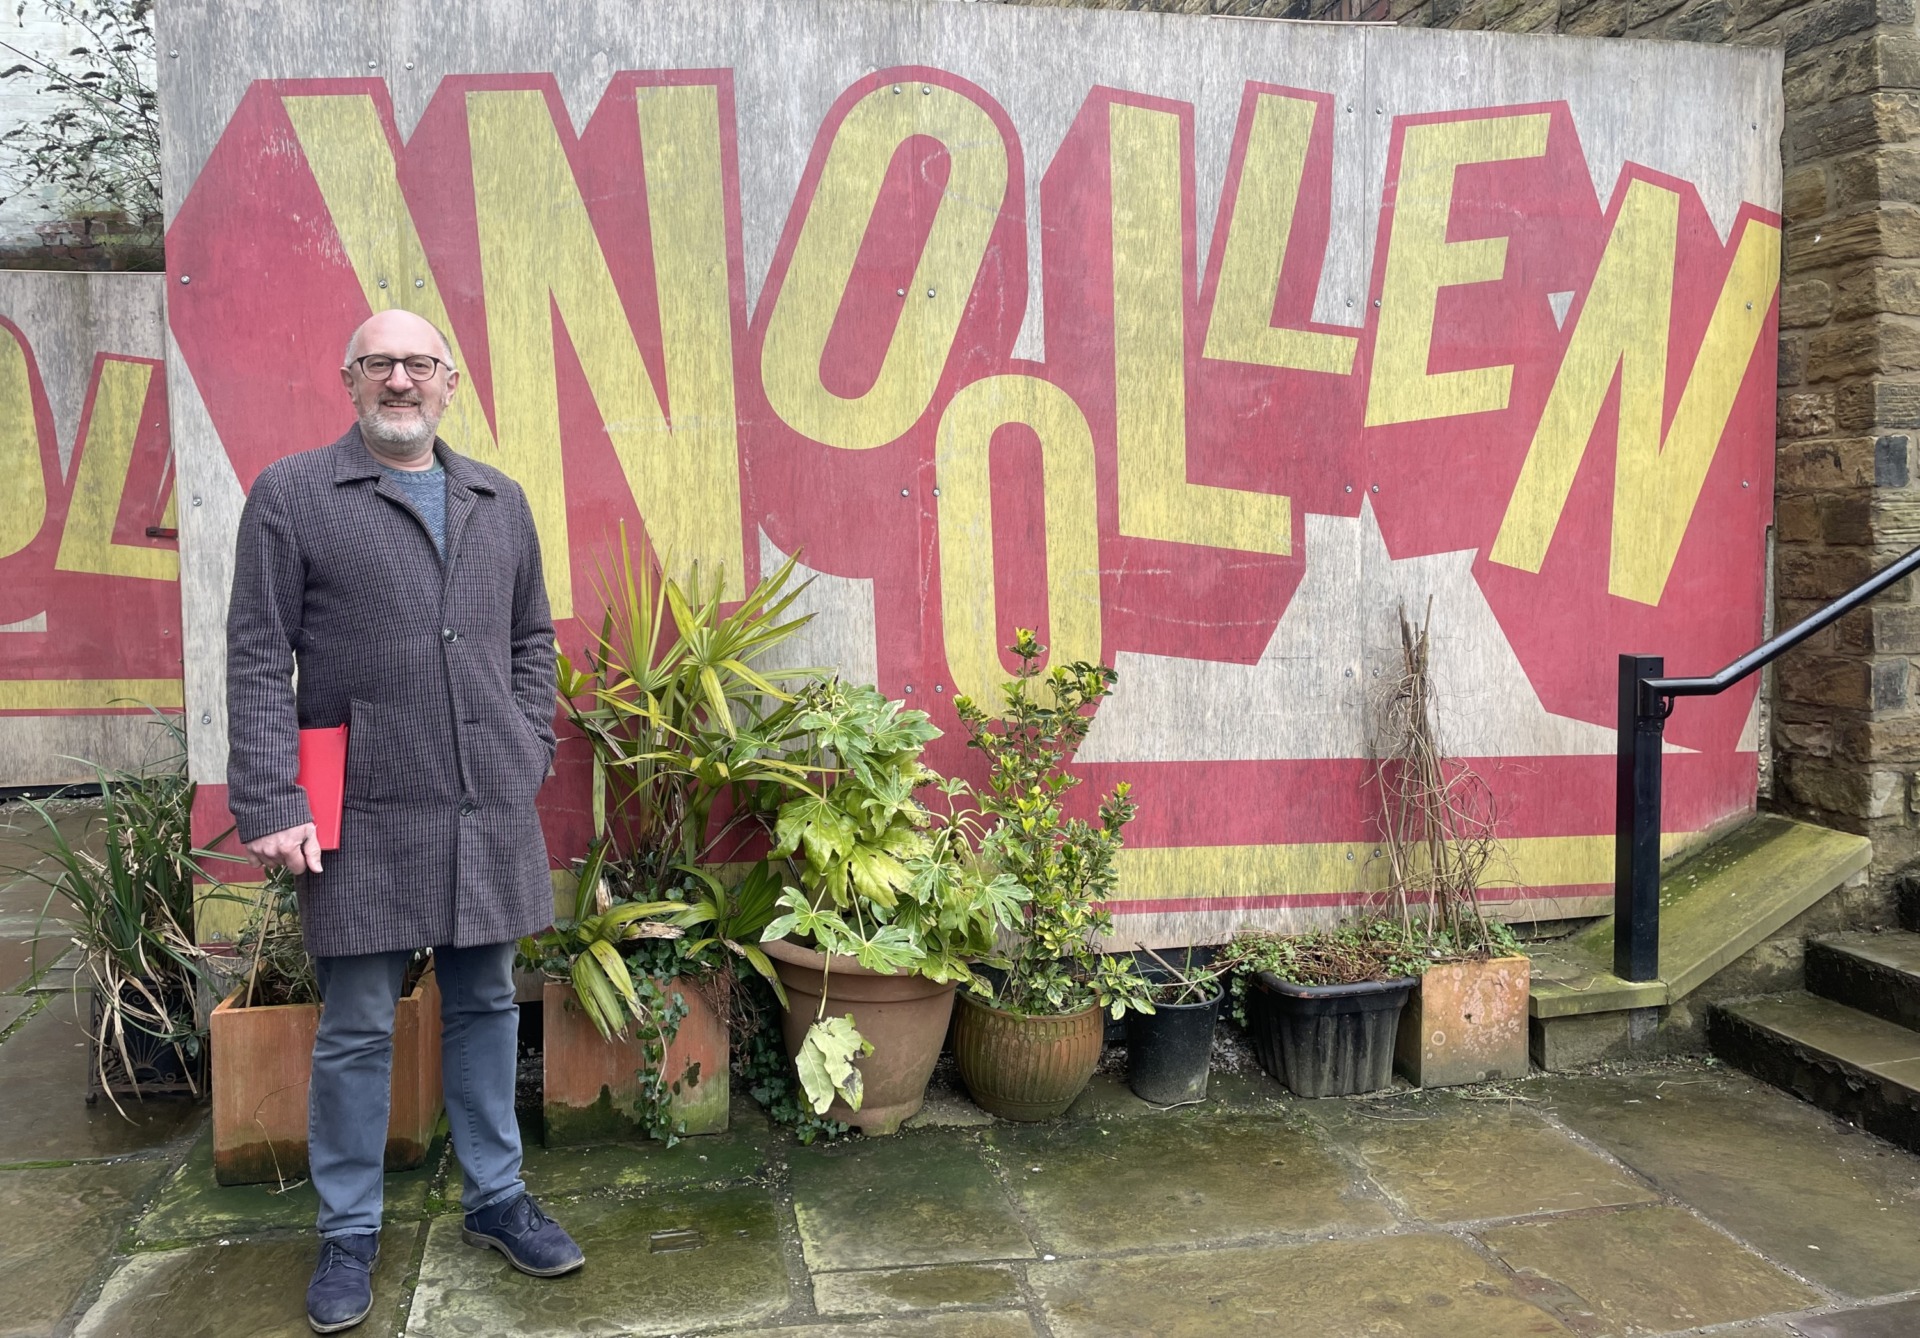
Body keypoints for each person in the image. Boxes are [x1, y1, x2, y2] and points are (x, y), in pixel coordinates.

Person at [226, 309, 583, 1335]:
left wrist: (525, 747)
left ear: (450, 383)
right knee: (356, 1028)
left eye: (418, 363)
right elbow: (258, 654)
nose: (399, 380)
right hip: (365, 810)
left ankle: (497, 1200)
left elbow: (531, 639)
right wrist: (272, 800)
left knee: (484, 1004)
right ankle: (348, 1233)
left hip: (484, 801)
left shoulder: (498, 500)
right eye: (379, 362)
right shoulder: (293, 495)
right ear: (349, 381)